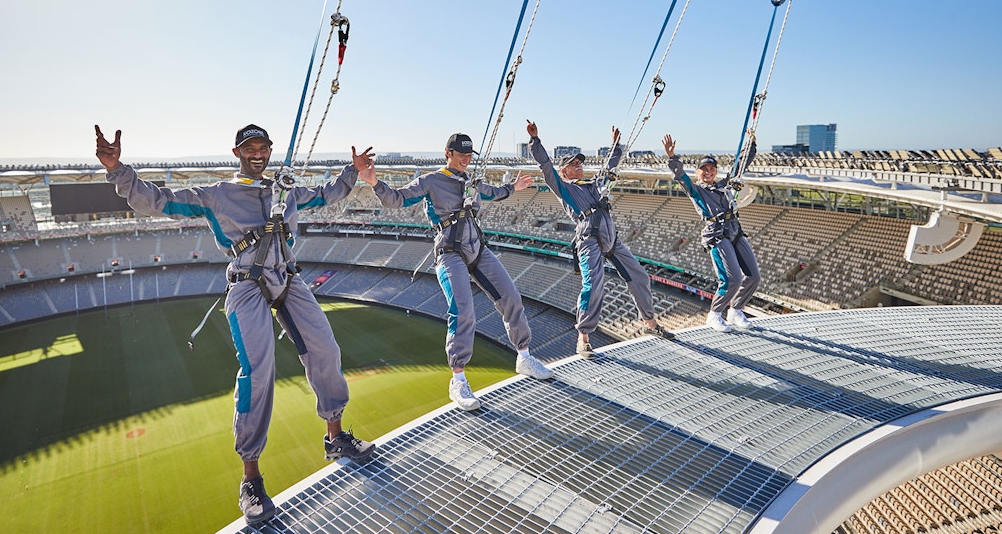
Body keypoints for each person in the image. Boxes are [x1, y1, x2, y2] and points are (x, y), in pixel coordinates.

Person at [95, 123, 376, 526]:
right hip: (246, 284)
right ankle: (251, 478)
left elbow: (327, 193)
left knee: (326, 350)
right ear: (237, 152)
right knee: (259, 372)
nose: (257, 153)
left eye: (263, 147)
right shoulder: (217, 194)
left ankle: (335, 438)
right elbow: (157, 200)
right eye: (250, 148)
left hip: (288, 278)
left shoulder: (284, 189)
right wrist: (117, 169)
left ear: (270, 151)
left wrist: (352, 171)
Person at [355, 133, 553, 411]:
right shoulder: (431, 181)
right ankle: (458, 380)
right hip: (450, 252)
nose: (466, 159)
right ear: (447, 153)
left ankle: (524, 357)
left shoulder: (471, 181)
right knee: (463, 309)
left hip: (477, 249)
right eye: (461, 154)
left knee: (511, 298)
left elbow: (493, 193)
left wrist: (513, 187)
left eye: (470, 155)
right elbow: (397, 199)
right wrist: (373, 181)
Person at [526, 121, 674, 359]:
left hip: (611, 237)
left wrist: (615, 145)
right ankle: (583, 337)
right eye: (573, 165)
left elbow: (610, 166)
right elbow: (546, 168)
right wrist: (535, 141)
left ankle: (649, 322)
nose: (578, 166)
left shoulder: (595, 185)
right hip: (589, 239)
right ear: (564, 171)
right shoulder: (565, 189)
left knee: (640, 276)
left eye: (580, 163)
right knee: (593, 285)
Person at [661, 132, 760, 332]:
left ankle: (736, 310)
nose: (708, 172)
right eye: (704, 169)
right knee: (733, 279)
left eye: (712, 169)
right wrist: (672, 158)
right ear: (698, 172)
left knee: (753, 276)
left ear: (716, 171)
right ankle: (714, 314)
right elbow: (680, 176)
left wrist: (751, 144)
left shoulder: (724, 186)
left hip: (734, 230)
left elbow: (740, 166)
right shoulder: (696, 190)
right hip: (716, 234)